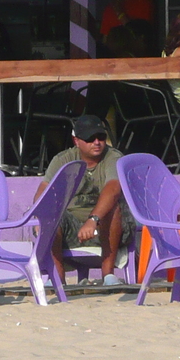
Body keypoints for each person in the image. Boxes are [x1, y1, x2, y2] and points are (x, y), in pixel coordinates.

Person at [38, 114, 135, 285]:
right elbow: (43, 192)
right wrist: (40, 217)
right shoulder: (63, 159)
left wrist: (93, 220)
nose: (97, 142)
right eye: (90, 138)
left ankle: (108, 275)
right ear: (76, 141)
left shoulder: (113, 157)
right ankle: (57, 278)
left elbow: (113, 189)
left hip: (110, 225)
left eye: (101, 137)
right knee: (50, 214)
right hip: (73, 227)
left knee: (113, 208)